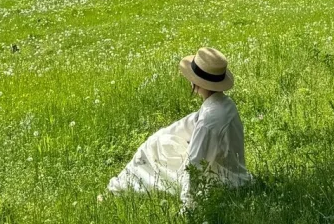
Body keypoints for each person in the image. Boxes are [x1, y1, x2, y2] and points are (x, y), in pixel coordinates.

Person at [106, 46, 253, 208]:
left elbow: (195, 164)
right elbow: (188, 124)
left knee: (154, 161)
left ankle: (119, 187)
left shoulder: (208, 121)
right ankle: (120, 183)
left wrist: (188, 206)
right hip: (234, 174)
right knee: (159, 142)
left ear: (196, 81)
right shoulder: (225, 105)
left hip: (221, 183)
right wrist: (159, 138)